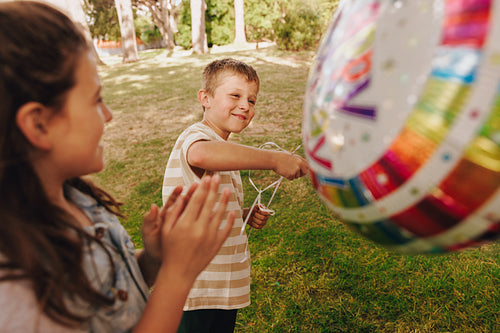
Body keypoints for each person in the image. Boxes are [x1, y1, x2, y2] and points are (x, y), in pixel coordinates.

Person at [0, 2, 235, 332]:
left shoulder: (74, 198)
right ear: (38, 125)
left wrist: (153, 259)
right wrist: (178, 274)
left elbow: (108, 291)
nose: (108, 114)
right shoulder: (19, 285)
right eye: (96, 99)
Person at [162, 58, 310, 333]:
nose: (245, 105)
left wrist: (242, 214)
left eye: (252, 100)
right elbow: (202, 154)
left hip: (222, 287)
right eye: (235, 95)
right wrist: (274, 159)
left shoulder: (222, 149)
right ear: (205, 98)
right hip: (196, 288)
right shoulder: (196, 136)